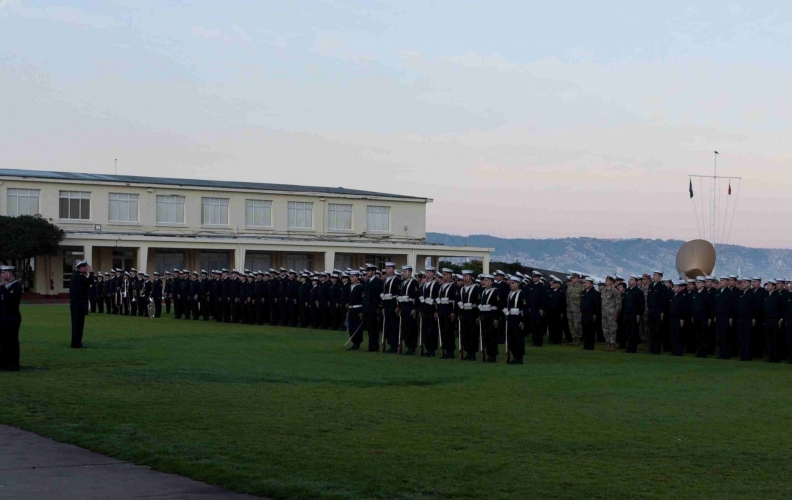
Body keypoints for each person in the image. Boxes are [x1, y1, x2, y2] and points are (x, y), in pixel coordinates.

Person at [0, 265, 22, 371]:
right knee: (3, 341)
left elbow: (10, 300)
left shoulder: (16, 285)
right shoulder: (3, 286)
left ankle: (13, 365)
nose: (2, 275)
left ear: (9, 273)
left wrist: (3, 288)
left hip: (12, 317)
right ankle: (4, 363)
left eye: (3, 273)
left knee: (12, 340)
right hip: (3, 316)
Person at [69, 260, 94, 349]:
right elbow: (90, 281)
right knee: (78, 324)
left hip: (78, 303)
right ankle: (76, 343)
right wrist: (91, 272)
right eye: (85, 267)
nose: (86, 268)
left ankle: (77, 342)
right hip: (78, 303)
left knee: (78, 324)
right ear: (80, 268)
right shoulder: (79, 277)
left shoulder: (78, 276)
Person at [477, 274, 501, 363]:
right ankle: (487, 353)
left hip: (492, 316)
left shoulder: (495, 291)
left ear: (491, 282)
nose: (485, 282)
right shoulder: (484, 291)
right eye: (484, 280)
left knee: (492, 336)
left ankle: (493, 355)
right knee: (485, 336)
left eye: (487, 281)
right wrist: (480, 315)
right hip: (484, 316)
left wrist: (497, 318)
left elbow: (498, 306)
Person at [397, 265, 420, 355]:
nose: (403, 273)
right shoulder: (403, 282)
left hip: (410, 306)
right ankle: (407, 345)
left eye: (405, 271)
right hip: (404, 306)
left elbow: (417, 296)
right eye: (403, 271)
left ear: (410, 272)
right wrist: (399, 307)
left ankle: (412, 347)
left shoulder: (414, 282)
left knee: (411, 327)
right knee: (405, 327)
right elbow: (400, 295)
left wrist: (415, 308)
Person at [504, 275, 527, 364]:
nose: (511, 285)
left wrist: (522, 320)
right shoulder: (510, 293)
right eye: (510, 283)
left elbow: (524, 308)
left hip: (518, 318)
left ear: (517, 284)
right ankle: (514, 356)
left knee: (518, 338)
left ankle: (519, 358)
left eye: (513, 283)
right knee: (511, 338)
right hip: (510, 317)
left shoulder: (521, 293)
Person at [646, 271, 668, 355]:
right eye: (653, 275)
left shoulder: (662, 287)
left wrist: (663, 311)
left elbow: (664, 301)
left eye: (656, 275)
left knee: (657, 330)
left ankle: (657, 349)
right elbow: (648, 298)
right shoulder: (651, 286)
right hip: (651, 310)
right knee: (651, 330)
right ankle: (651, 348)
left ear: (660, 277)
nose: (654, 277)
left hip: (658, 310)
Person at [600, 275, 621, 351]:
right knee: (605, 329)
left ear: (611, 282)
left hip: (612, 313)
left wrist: (616, 313)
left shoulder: (615, 291)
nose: (606, 282)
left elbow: (618, 303)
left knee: (612, 329)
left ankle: (612, 344)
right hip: (604, 313)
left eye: (608, 280)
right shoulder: (603, 290)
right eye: (606, 280)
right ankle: (608, 343)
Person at [580, 276, 601, 350]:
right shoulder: (583, 292)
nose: (585, 284)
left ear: (591, 284)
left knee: (591, 331)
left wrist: (595, 314)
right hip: (584, 313)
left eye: (587, 283)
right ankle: (585, 344)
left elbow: (597, 305)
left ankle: (590, 346)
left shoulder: (596, 293)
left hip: (591, 314)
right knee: (585, 330)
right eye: (585, 283)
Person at [668, 280, 688, 356]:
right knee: (673, 334)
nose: (674, 288)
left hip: (679, 318)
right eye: (674, 286)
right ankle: (674, 350)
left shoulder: (682, 297)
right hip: (672, 317)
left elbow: (684, 309)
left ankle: (679, 351)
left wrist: (682, 318)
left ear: (680, 288)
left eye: (676, 287)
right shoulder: (672, 296)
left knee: (679, 335)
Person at [346, 271, 365, 350]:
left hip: (358, 309)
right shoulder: (350, 286)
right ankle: (354, 343)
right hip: (351, 309)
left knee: (357, 326)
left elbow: (363, 299)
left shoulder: (360, 287)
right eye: (350, 276)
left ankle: (357, 344)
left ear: (357, 277)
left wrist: (362, 311)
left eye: (353, 276)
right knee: (351, 327)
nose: (351, 278)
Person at [566, 273, 584, 345]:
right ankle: (574, 338)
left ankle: (578, 338)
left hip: (577, 309)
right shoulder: (569, 287)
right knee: (571, 324)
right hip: (569, 309)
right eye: (572, 278)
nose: (573, 279)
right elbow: (567, 298)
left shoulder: (581, 287)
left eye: (574, 278)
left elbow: (583, 299)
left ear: (578, 278)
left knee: (577, 325)